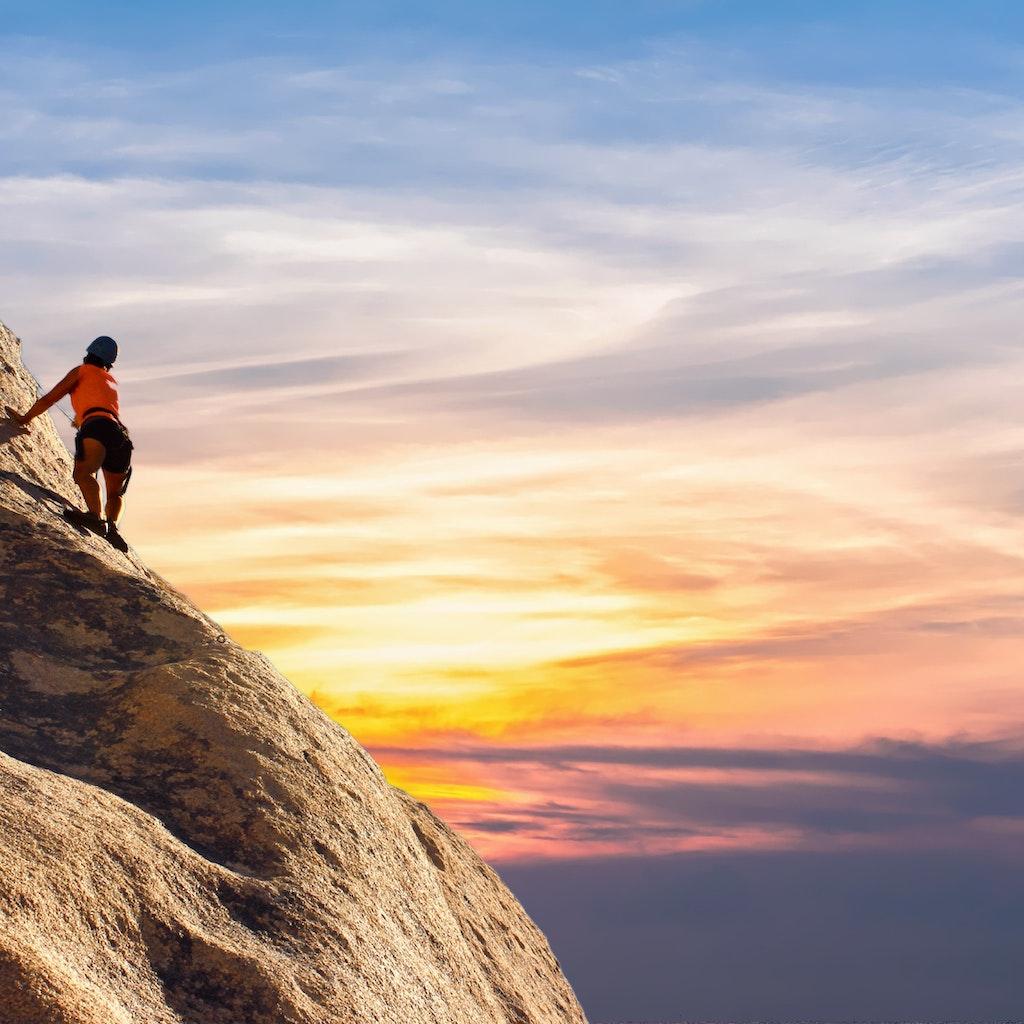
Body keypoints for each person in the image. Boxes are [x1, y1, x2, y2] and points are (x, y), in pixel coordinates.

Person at [8, 336, 133, 552]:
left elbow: (49, 399)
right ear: (109, 362)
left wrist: (24, 419)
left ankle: (95, 517)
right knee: (115, 493)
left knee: (83, 474)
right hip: (121, 435)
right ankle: (112, 528)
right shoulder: (111, 382)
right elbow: (101, 406)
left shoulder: (81, 371)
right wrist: (82, 417)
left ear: (89, 353)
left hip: (97, 426)